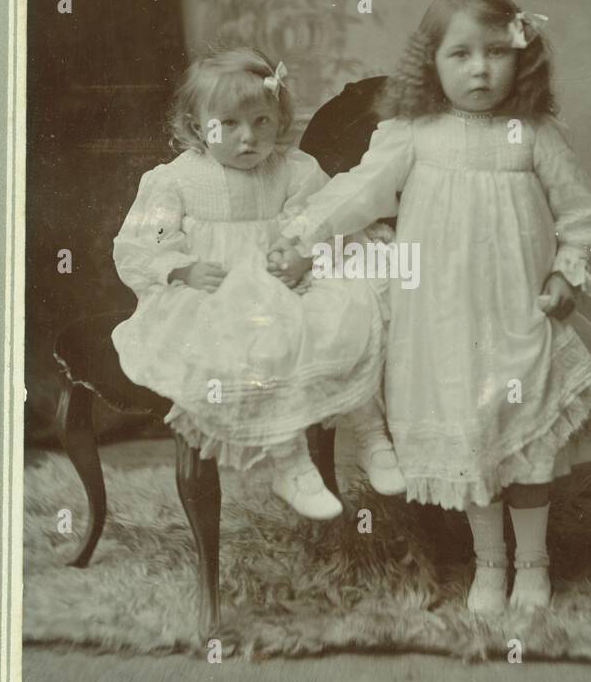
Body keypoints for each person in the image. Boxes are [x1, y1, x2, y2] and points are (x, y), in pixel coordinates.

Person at [269, 0, 591, 612]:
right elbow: (359, 193)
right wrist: (305, 239)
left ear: (523, 57)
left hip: (521, 311)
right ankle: (490, 565)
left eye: (496, 52)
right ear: (430, 61)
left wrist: (566, 273)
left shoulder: (534, 133)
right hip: (441, 317)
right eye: (460, 54)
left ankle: (533, 564)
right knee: (472, 437)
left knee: (525, 440)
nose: (480, 69)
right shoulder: (414, 132)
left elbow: (581, 213)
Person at [112, 46, 402, 522]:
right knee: (252, 337)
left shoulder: (295, 170)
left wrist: (304, 259)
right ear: (194, 124)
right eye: (228, 125)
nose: (248, 138)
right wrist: (182, 269)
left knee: (347, 311)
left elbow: (321, 221)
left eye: (261, 122)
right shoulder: (176, 181)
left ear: (278, 117)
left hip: (288, 284)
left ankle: (373, 436)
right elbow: (138, 245)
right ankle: (289, 462)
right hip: (214, 293)